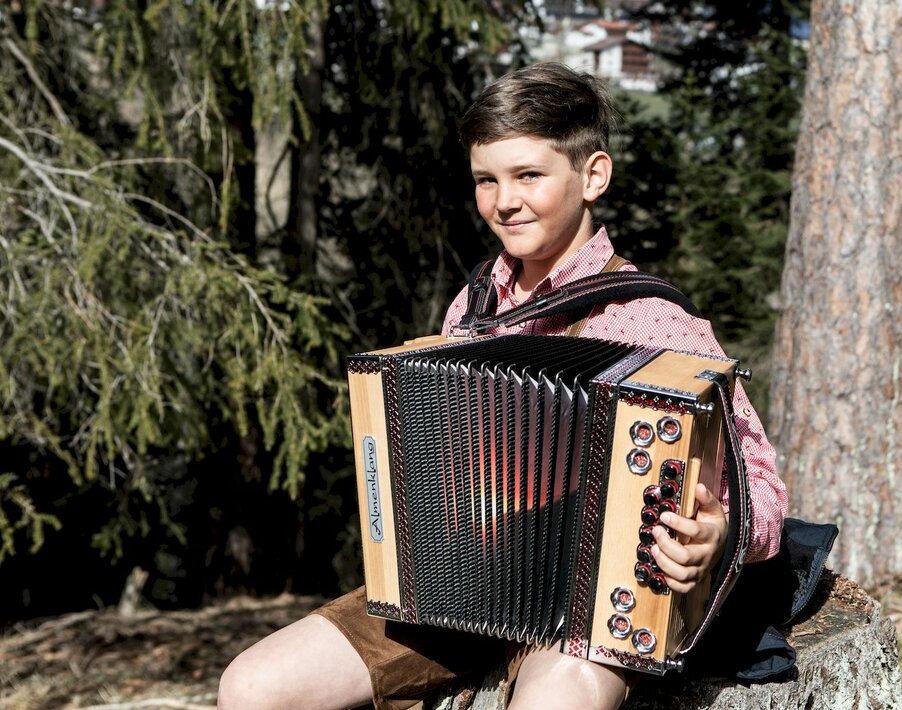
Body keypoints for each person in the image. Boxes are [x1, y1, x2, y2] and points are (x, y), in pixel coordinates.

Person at [217, 62, 788, 710]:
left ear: (592, 174)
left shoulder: (655, 320)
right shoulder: (475, 305)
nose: (504, 201)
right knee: (251, 686)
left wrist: (721, 530)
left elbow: (762, 483)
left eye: (528, 176)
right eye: (486, 180)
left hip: (596, 604)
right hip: (460, 590)